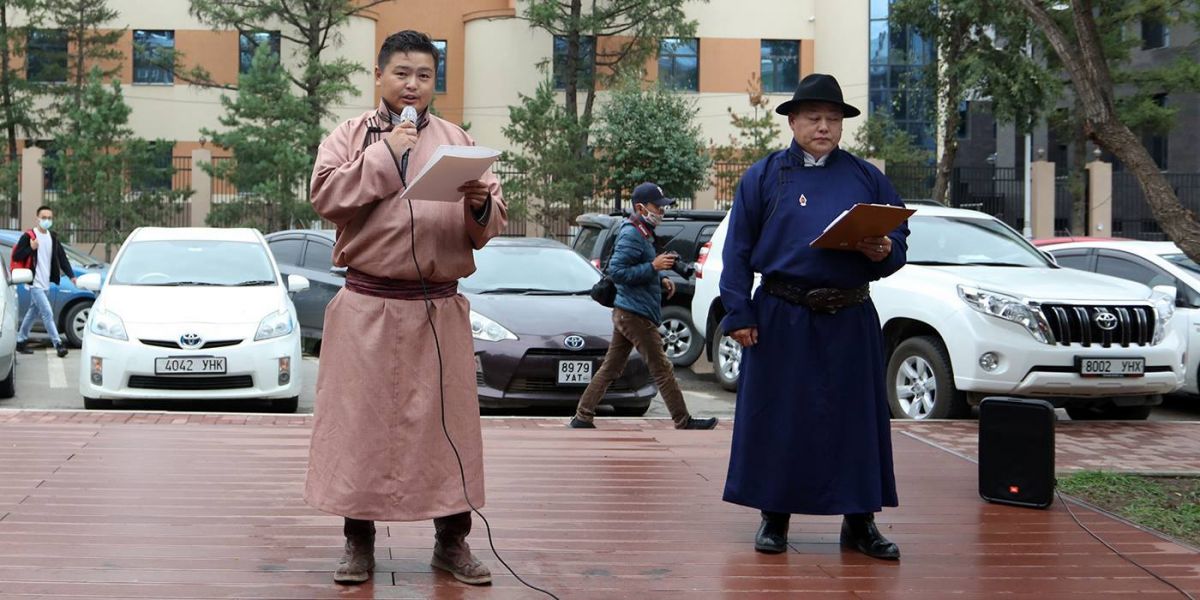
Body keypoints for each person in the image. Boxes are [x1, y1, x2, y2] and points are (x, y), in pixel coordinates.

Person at [303, 31, 507, 586]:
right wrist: (387, 150)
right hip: (369, 305)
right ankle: (358, 543)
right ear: (379, 76)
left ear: (433, 81)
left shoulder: (456, 139)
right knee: (360, 429)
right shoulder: (349, 136)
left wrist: (481, 203)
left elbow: (488, 226)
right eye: (401, 73)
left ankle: (452, 542)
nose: (412, 85)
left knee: (448, 431)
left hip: (438, 310)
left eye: (423, 75)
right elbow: (327, 198)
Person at [719, 73, 910, 560]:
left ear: (843, 125)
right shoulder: (763, 176)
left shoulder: (866, 177)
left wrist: (883, 248)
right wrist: (739, 311)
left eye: (832, 119)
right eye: (813, 118)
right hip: (783, 312)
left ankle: (861, 522)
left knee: (856, 420)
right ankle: (774, 518)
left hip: (849, 313)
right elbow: (737, 251)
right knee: (781, 418)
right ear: (794, 122)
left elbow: (898, 245)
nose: (823, 127)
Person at [569, 182, 718, 431]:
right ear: (640, 207)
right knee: (662, 368)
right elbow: (616, 270)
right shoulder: (632, 233)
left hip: (629, 311)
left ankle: (582, 416)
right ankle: (683, 420)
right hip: (635, 314)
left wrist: (661, 277)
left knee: (611, 367)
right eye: (657, 207)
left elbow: (642, 265)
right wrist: (654, 268)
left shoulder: (643, 231)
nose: (662, 211)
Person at [13, 205, 75, 358]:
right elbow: (17, 256)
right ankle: (58, 344)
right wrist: (31, 248)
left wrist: (71, 275)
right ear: (37, 218)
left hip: (45, 283)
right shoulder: (29, 236)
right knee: (47, 312)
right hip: (34, 283)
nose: (47, 220)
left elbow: (62, 258)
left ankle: (20, 341)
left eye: (49, 218)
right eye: (44, 217)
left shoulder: (52, 237)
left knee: (32, 313)